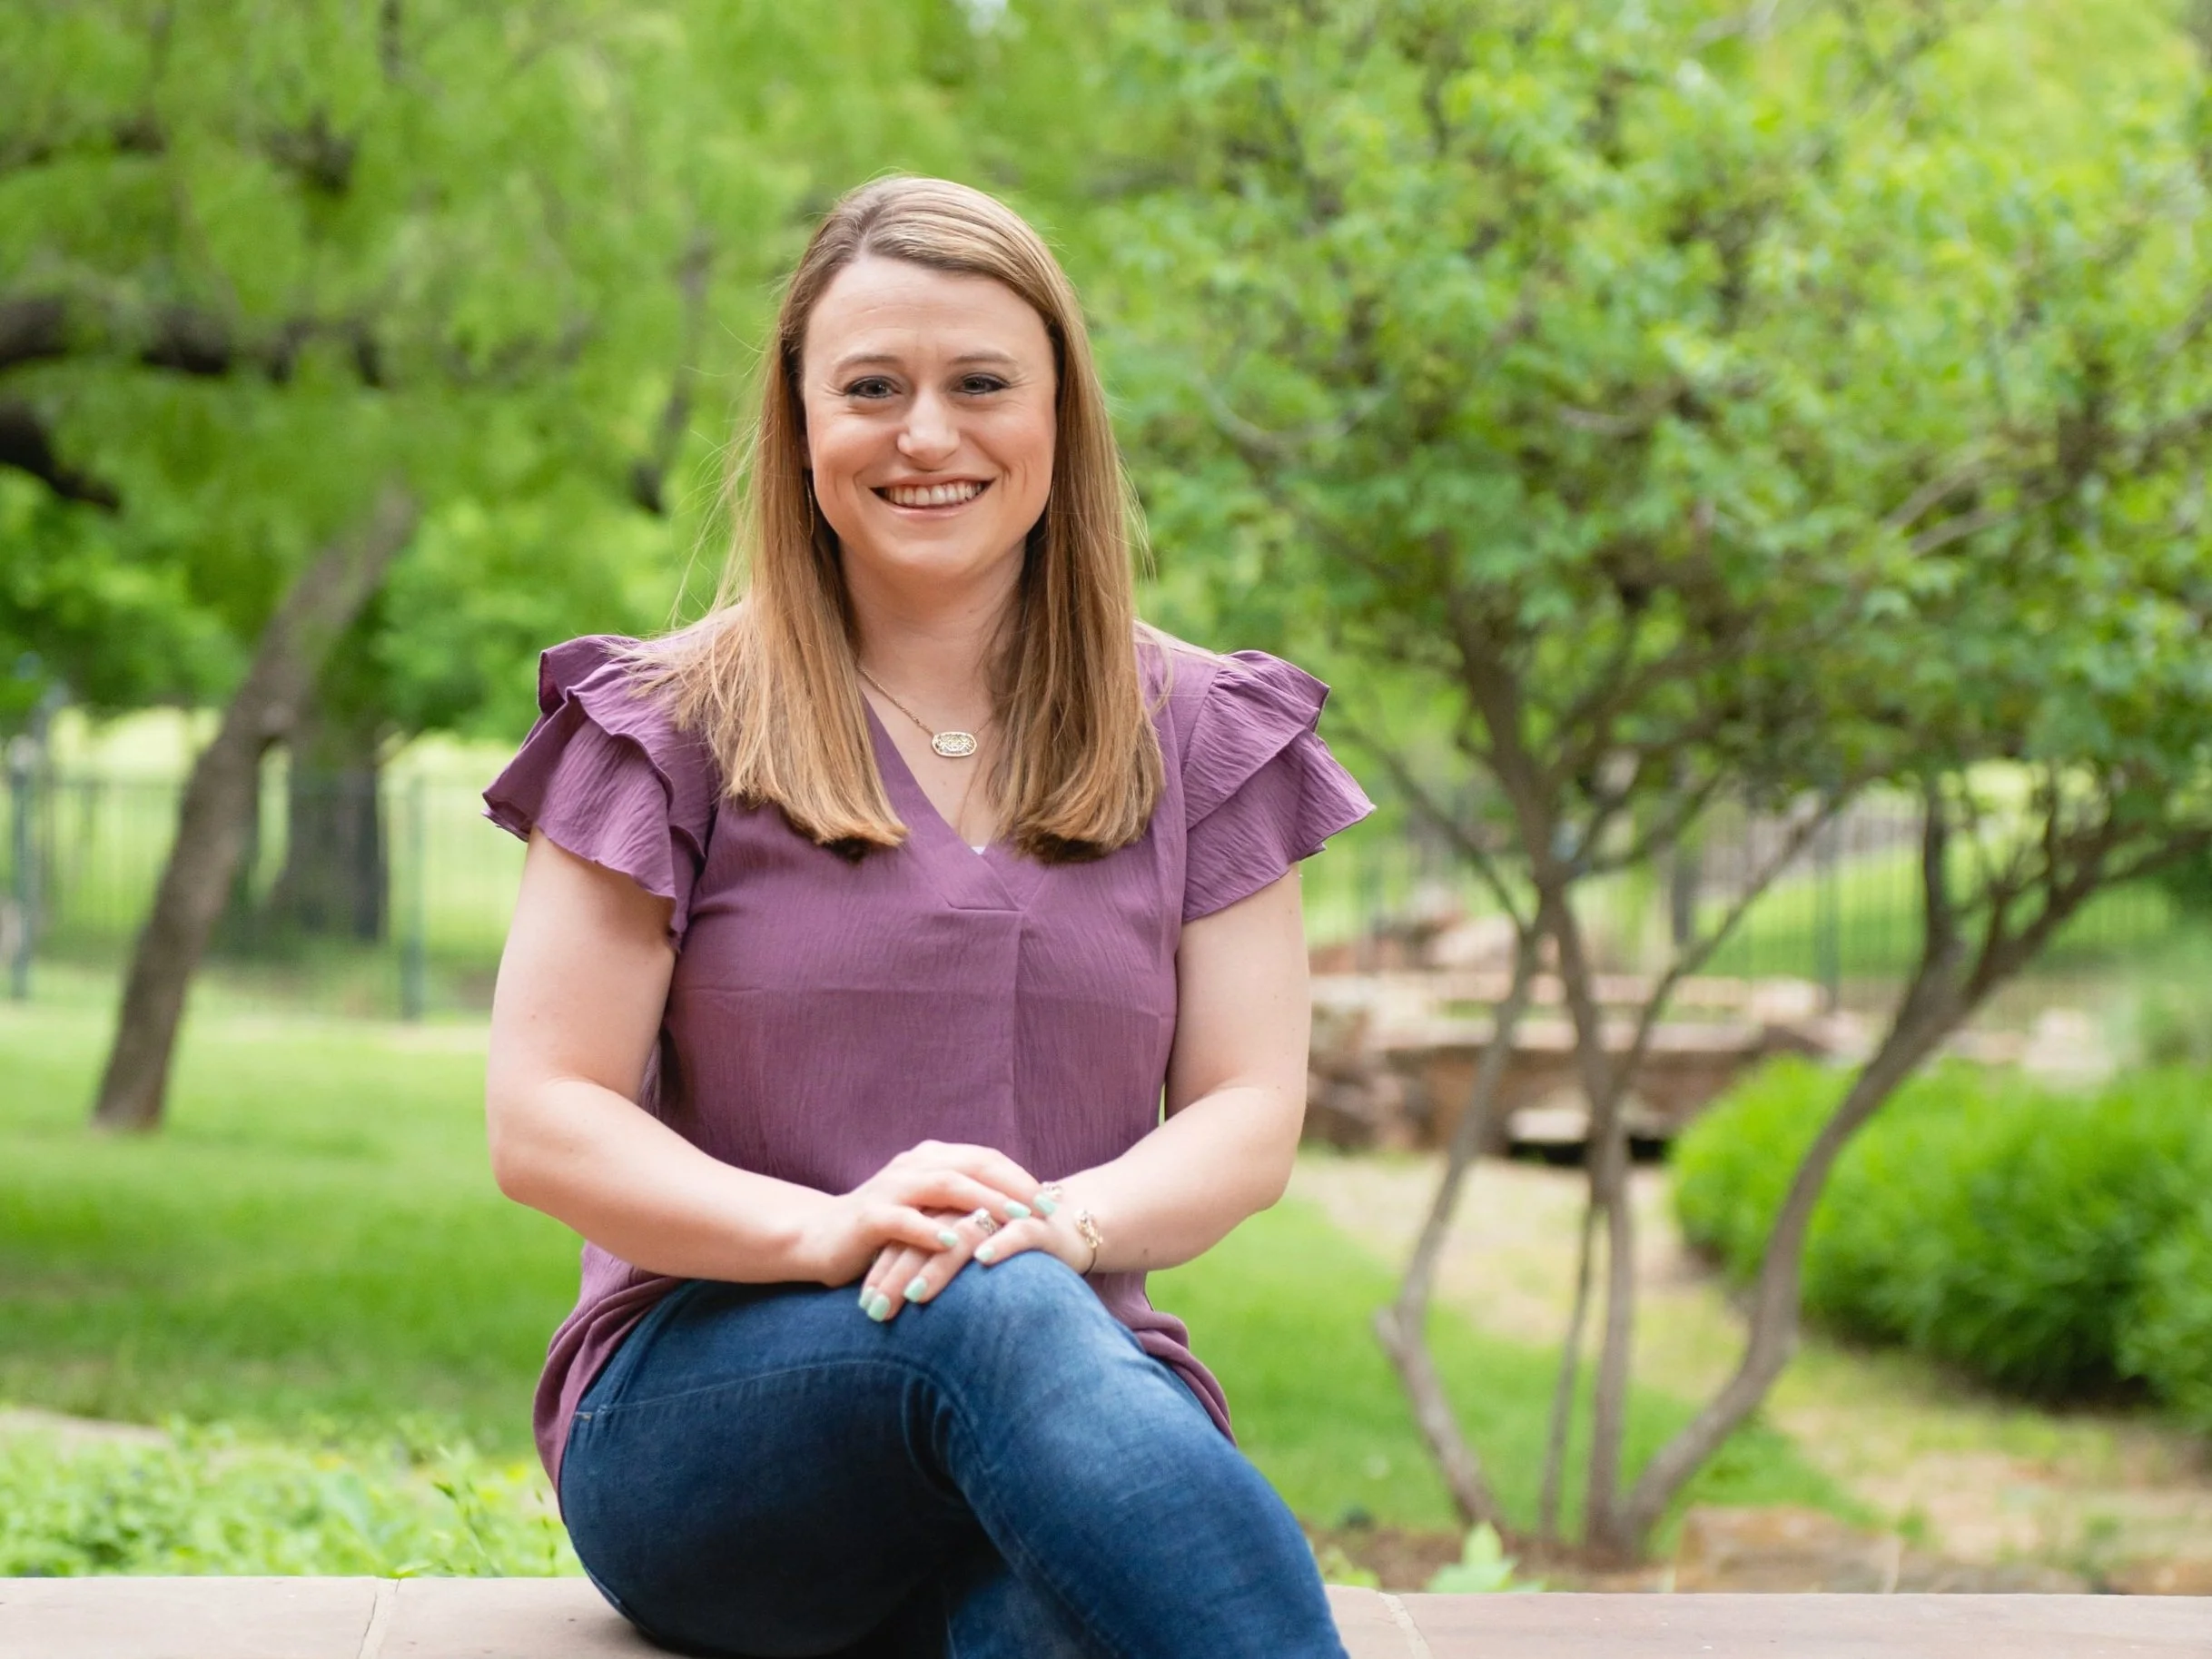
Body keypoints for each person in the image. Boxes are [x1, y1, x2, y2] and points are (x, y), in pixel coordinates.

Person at [482, 174, 1372, 1659]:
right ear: (802, 423)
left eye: (980, 384)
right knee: (994, 1309)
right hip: (715, 1413)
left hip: (1073, 1388)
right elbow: (544, 1115)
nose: (928, 434)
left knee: (1046, 1594)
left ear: (1059, 416)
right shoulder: (666, 722)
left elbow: (1248, 1110)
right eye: (873, 388)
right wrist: (833, 1231)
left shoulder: (1208, 733)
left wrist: (1060, 1222)